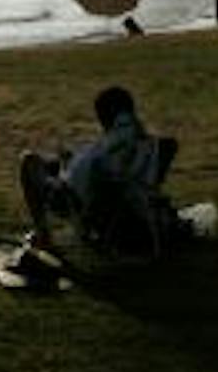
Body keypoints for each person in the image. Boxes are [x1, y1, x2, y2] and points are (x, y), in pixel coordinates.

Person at [18, 85, 179, 252]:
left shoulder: (102, 151)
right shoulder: (155, 146)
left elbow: (77, 185)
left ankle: (43, 236)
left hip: (93, 213)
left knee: (28, 160)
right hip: (138, 212)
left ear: (104, 117)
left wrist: (66, 167)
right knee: (58, 164)